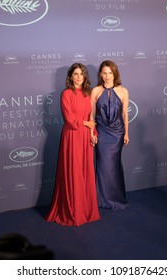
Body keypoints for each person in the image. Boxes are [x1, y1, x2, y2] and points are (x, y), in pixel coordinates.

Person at [46, 63, 100, 226]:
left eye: (81, 74)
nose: (78, 77)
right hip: (73, 136)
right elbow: (70, 119)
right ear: (70, 77)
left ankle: (86, 210)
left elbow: (92, 117)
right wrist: (87, 124)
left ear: (85, 77)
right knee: (74, 172)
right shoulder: (66, 94)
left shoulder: (87, 93)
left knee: (86, 172)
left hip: (85, 136)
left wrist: (93, 133)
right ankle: (73, 211)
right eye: (75, 74)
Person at [90, 60, 129, 210]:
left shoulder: (123, 91)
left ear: (115, 74)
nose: (107, 76)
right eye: (104, 73)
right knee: (102, 165)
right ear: (100, 74)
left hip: (117, 133)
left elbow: (125, 114)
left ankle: (116, 197)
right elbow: (91, 115)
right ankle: (101, 199)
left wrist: (126, 132)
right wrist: (92, 132)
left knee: (113, 165)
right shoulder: (95, 91)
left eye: (110, 73)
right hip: (101, 132)